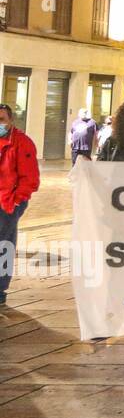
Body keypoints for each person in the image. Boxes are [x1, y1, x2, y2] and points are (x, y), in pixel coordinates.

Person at [0, 103, 40, 305]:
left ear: (10, 121)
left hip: (7, 203)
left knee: (4, 246)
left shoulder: (22, 142)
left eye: (1, 120)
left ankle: (0, 290)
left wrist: (16, 201)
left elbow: (30, 178)